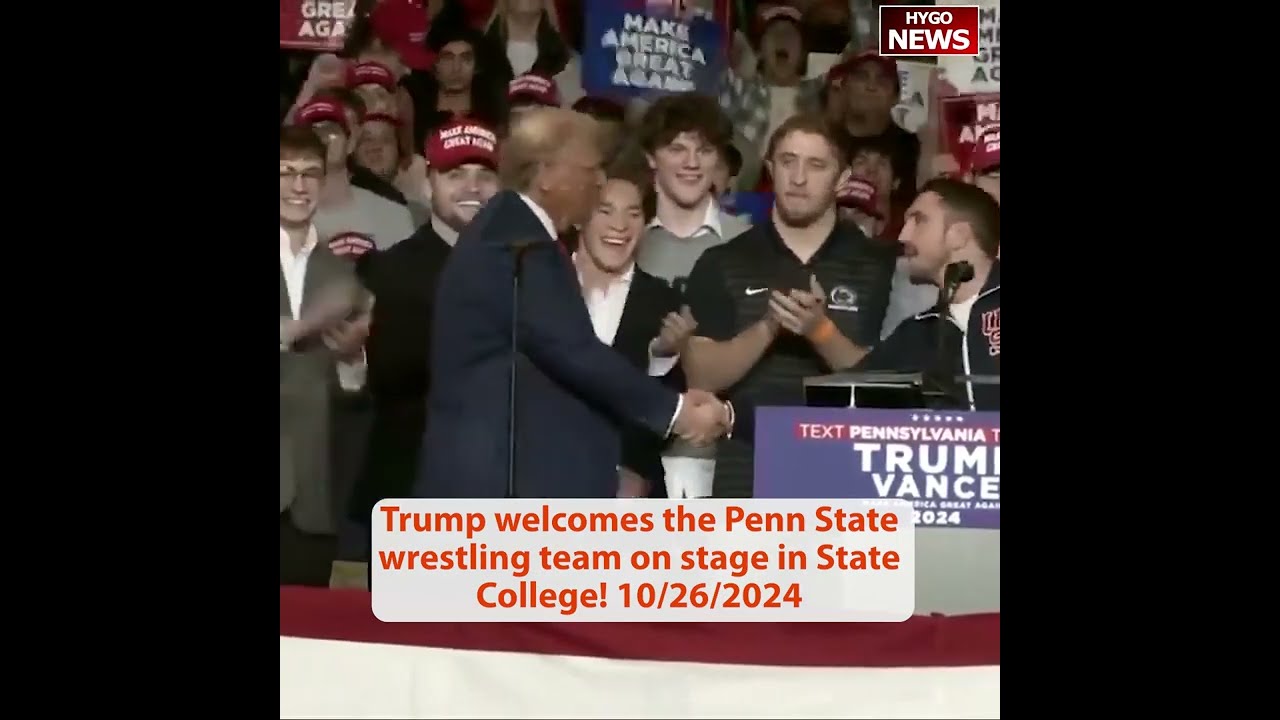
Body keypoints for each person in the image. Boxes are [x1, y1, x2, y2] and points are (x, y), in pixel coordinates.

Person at [414, 108, 729, 499]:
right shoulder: (517, 243)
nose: (599, 180)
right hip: (497, 489)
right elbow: (570, 349)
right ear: (546, 174)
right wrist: (675, 411)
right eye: (590, 168)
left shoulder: (513, 231)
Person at [681, 114, 896, 499]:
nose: (798, 178)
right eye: (787, 161)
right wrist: (767, 327)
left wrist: (821, 332)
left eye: (816, 165)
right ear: (769, 168)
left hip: (851, 477)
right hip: (745, 476)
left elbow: (895, 387)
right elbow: (701, 377)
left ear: (843, 178)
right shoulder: (723, 261)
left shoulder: (883, 264)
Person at [347, 120, 502, 525]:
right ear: (429, 182)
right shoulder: (389, 271)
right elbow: (390, 378)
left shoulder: (532, 267)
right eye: (456, 174)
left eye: (484, 175)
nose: (472, 187)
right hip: (411, 488)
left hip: (503, 495)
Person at [632, 93, 751, 499]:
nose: (691, 162)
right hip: (637, 457)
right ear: (651, 157)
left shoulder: (747, 242)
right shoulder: (623, 239)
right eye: (676, 148)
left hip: (728, 459)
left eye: (704, 150)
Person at [279, 125, 372, 586]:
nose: (299, 186)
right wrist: (298, 329)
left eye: (310, 174)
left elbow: (352, 400)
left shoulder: (342, 274)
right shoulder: (343, 287)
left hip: (312, 504)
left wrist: (352, 362)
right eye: (286, 173)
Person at [572, 169, 693, 499]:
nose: (620, 225)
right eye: (605, 210)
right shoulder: (540, 286)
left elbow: (672, 412)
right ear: (580, 216)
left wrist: (663, 357)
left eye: (634, 213)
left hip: (633, 501)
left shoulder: (663, 303)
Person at [855, 178, 1000, 411]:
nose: (903, 236)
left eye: (918, 220)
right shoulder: (914, 333)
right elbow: (847, 395)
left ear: (959, 235)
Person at [294, 97, 417, 254]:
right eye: (312, 133)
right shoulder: (285, 218)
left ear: (351, 143)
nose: (323, 139)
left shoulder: (393, 216)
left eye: (331, 131)